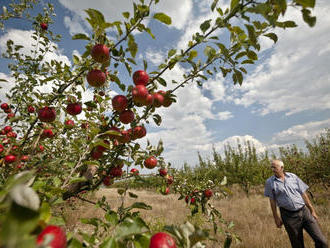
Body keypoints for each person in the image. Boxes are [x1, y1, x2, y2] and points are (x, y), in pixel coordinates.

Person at [264, 159, 328, 248]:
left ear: (282, 168)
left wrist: (312, 210)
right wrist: (276, 218)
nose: (273, 169)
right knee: (297, 245)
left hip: (304, 212)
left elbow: (303, 194)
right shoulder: (270, 182)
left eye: (275, 167)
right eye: (272, 167)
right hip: (288, 216)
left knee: (322, 241)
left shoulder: (293, 177)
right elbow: (272, 201)